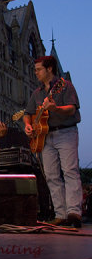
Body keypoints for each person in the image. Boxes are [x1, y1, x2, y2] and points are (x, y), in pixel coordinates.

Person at [23, 56, 82, 227]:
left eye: (38, 69)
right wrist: (28, 125)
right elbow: (28, 113)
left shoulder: (65, 86)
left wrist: (55, 108)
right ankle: (61, 214)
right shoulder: (37, 93)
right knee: (51, 175)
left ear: (49, 69)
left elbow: (71, 109)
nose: (36, 73)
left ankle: (74, 213)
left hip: (66, 132)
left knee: (70, 171)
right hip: (46, 137)